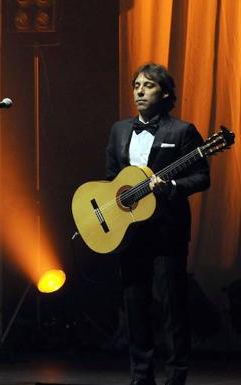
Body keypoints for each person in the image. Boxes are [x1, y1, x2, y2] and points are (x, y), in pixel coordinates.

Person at [105, 63, 210, 385]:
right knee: (135, 306)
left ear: (164, 93)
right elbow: (112, 177)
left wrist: (173, 188)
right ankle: (141, 375)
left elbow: (202, 176)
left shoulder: (182, 131)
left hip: (167, 230)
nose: (139, 91)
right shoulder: (120, 129)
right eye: (136, 85)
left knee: (172, 307)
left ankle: (176, 375)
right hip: (131, 231)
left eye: (148, 85)